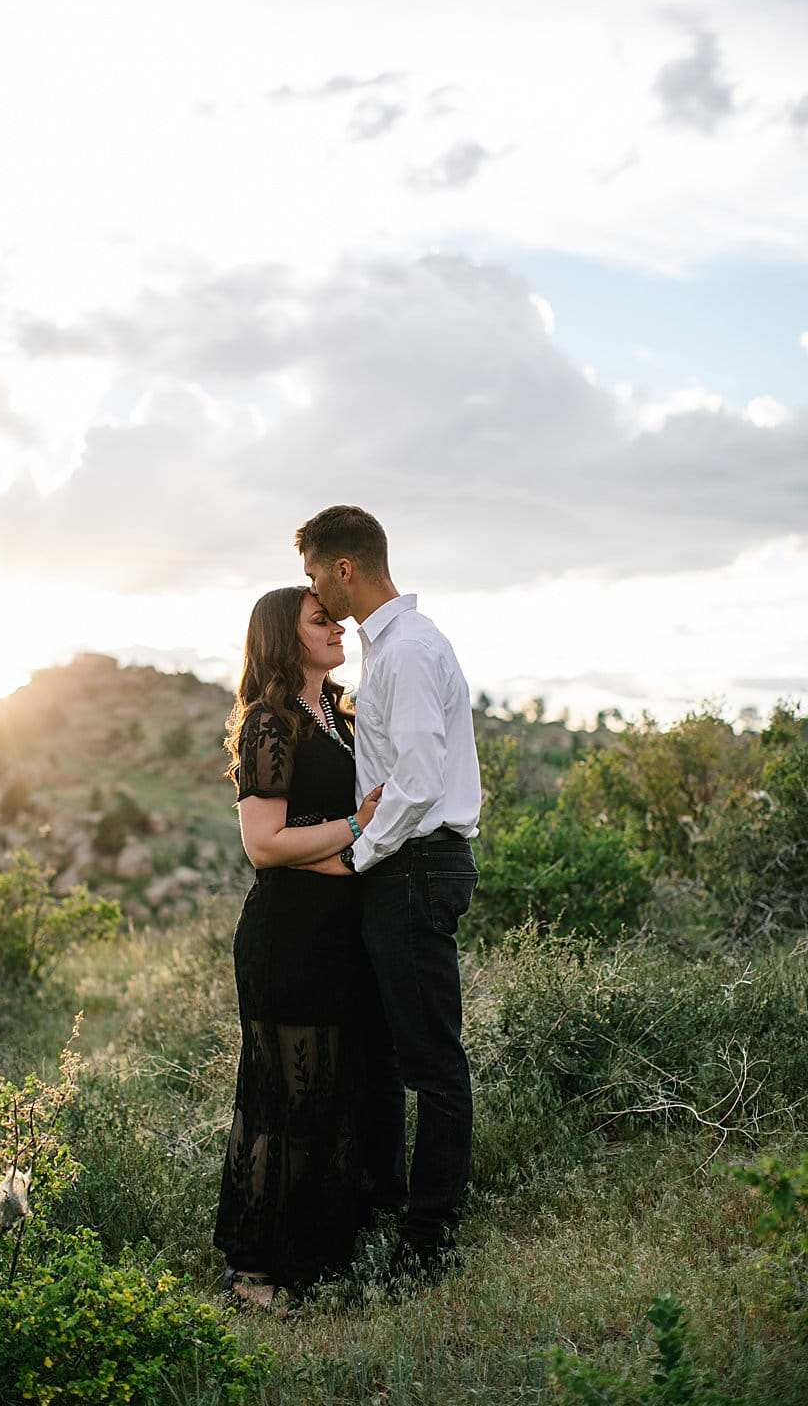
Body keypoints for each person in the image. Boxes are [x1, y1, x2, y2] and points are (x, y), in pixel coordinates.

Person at [298, 504, 482, 1279]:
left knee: (432, 1064)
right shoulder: (390, 651)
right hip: (407, 865)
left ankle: (430, 1240)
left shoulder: (407, 651)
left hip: (414, 864)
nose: (312, 589)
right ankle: (387, 1204)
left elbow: (415, 780)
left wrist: (361, 854)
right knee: (393, 1055)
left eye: (314, 573)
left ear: (345, 568)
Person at [215, 586, 384, 1308]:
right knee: (283, 1100)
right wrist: (356, 828)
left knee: (332, 1097)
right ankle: (252, 1273)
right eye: (321, 619)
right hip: (288, 938)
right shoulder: (270, 724)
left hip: (338, 935)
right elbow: (264, 844)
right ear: (287, 638)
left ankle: (312, 1258)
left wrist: (348, 848)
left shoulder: (338, 715)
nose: (338, 623)